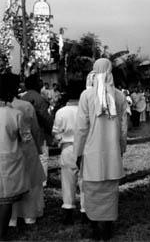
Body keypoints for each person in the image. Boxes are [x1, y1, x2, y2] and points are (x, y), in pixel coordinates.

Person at [74, 58, 127, 240]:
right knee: (110, 193)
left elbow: (81, 129)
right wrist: (121, 150)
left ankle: (96, 230)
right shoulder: (119, 96)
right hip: (112, 155)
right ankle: (108, 230)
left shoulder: (86, 96)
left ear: (94, 71)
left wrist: (77, 153)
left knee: (93, 192)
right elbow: (123, 129)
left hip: (91, 155)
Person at [7, 74, 45, 227]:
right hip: (27, 147)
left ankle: (12, 218)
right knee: (31, 182)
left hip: (7, 148)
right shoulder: (25, 106)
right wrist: (38, 147)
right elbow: (35, 130)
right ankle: (30, 215)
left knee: (11, 182)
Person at [0, 74, 30, 240]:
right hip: (10, 159)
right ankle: (2, 234)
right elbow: (26, 138)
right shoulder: (16, 114)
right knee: (5, 199)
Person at [53, 81, 86, 225]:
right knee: (85, 180)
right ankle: (85, 211)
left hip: (67, 148)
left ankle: (68, 211)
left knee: (67, 181)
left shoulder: (61, 112)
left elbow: (56, 132)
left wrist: (60, 140)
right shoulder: (85, 111)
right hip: (85, 148)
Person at [22, 75, 54, 187]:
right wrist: (51, 130)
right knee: (43, 156)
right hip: (39, 131)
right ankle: (43, 181)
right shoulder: (39, 99)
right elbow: (45, 117)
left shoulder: (23, 97)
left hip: (25, 131)